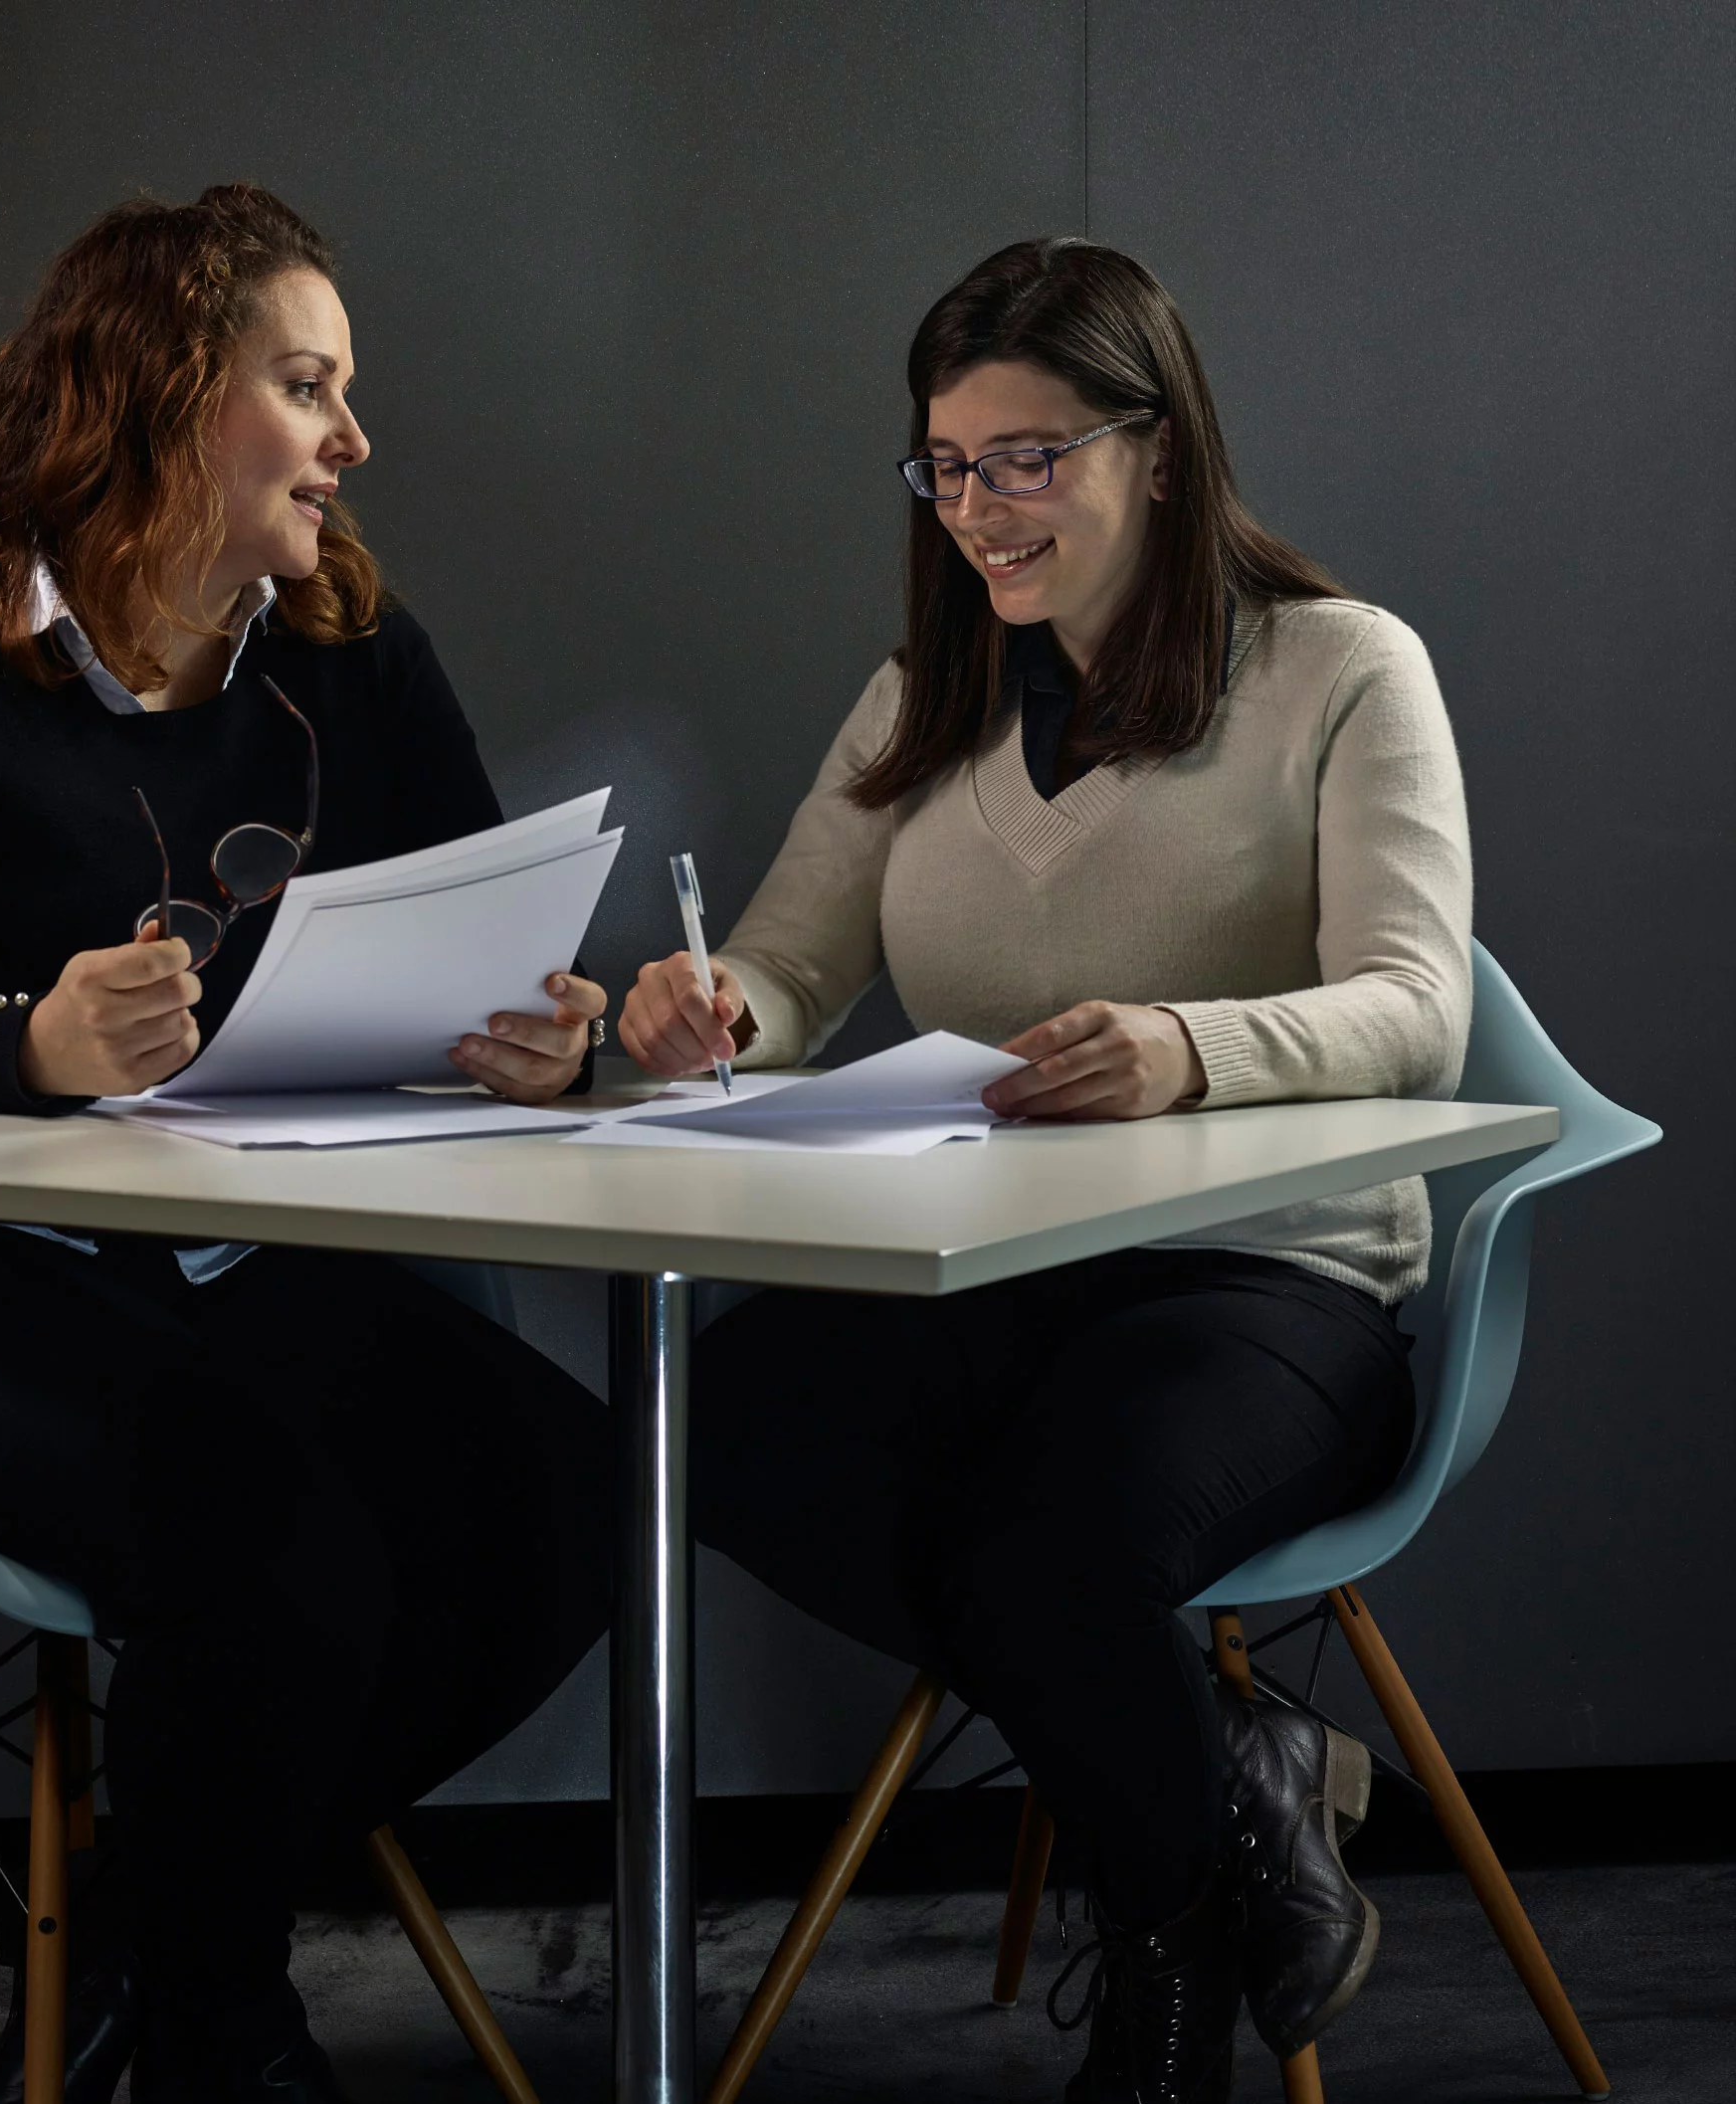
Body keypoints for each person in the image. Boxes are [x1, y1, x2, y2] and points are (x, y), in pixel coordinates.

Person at [0, 185, 612, 2104]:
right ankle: (220, 2024)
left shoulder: (350, 653)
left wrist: (537, 1039)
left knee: (565, 1499)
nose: (353, 441)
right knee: (273, 1542)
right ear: (160, 395)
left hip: (236, 1258)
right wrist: (21, 1045)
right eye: (307, 383)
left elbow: (482, 939)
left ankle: (142, 1941)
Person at [619, 238, 1469, 2104]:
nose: (982, 507)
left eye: (1030, 457)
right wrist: (708, 1014)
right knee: (708, 1417)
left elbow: (1415, 1005)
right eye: (947, 464)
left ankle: (1166, 1966)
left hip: (1274, 1280)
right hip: (989, 1276)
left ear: (1154, 449)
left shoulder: (1340, 670)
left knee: (1049, 1550)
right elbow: (784, 967)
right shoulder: (914, 701)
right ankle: (1227, 1777)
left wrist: (1185, 1051)